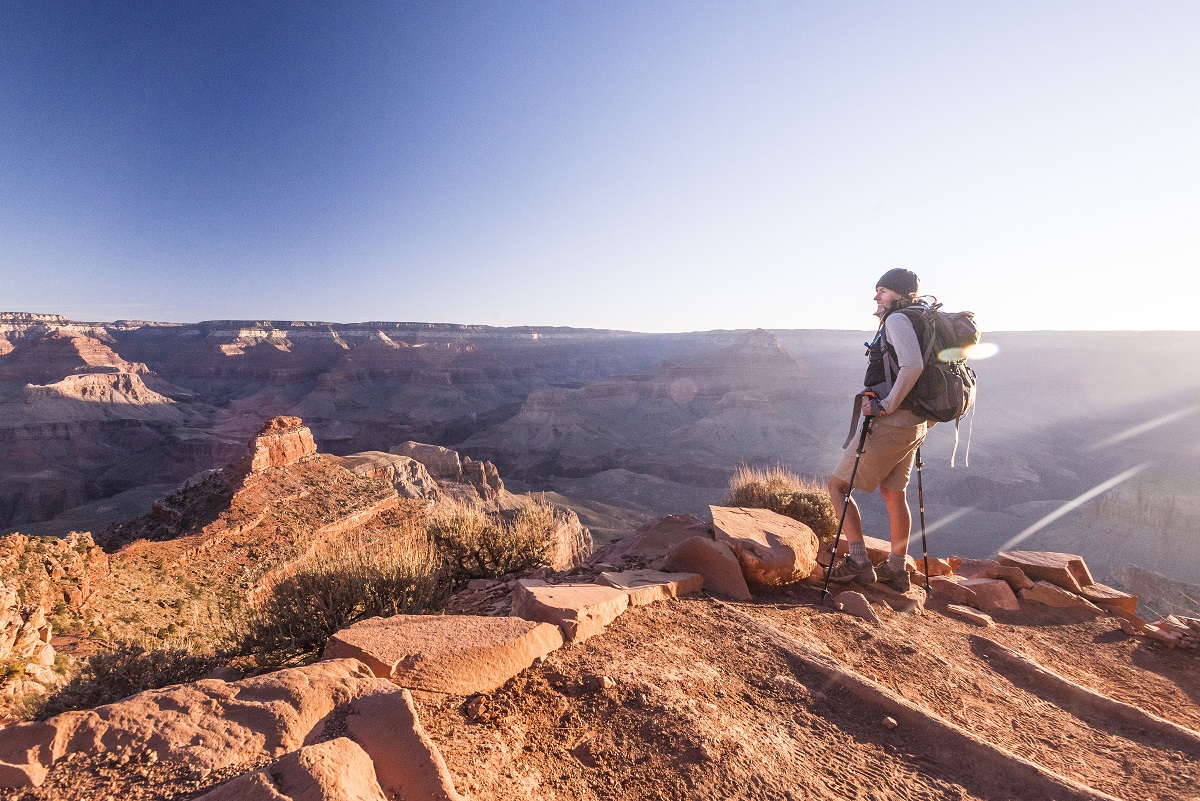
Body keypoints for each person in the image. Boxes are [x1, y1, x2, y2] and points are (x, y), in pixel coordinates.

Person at [826, 268, 928, 592]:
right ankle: (897, 570)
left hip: (893, 422)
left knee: (837, 488)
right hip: (916, 423)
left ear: (897, 294)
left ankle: (858, 561)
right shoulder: (921, 319)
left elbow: (913, 366)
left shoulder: (898, 321)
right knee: (894, 494)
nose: (875, 297)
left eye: (881, 290)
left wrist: (886, 405)